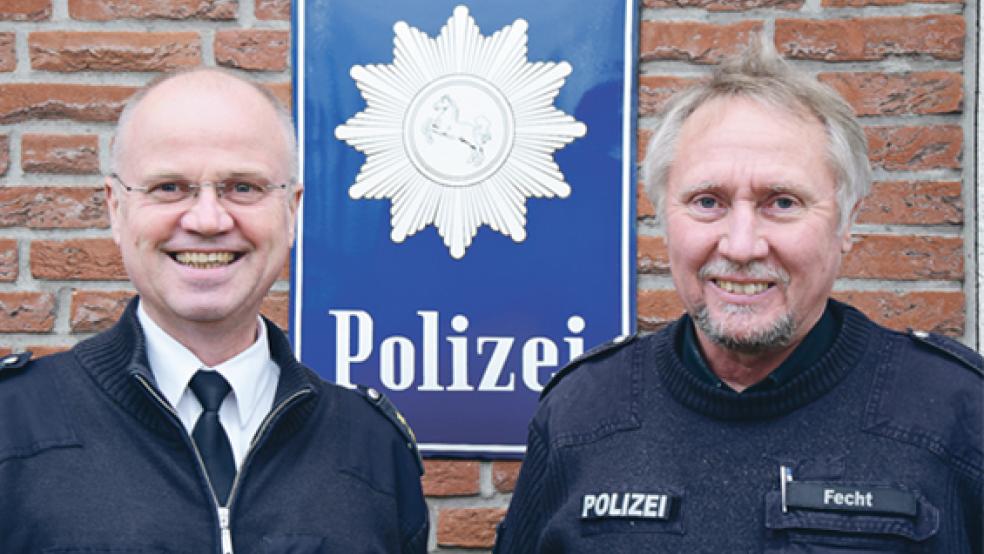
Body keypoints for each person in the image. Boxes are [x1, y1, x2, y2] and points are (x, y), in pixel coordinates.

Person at [494, 37, 981, 552]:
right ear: (662, 215)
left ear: (846, 222)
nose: (742, 245)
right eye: (708, 202)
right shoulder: (581, 415)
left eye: (782, 202)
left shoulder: (957, 414)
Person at [0, 68, 428, 553]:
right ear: (115, 209)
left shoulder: (372, 448)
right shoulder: (12, 427)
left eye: (243, 187)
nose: (207, 220)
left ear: (291, 211)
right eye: (169, 187)